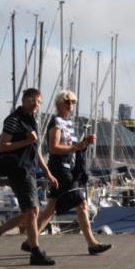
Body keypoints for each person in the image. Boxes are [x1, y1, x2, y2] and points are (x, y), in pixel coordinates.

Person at [0, 88, 59, 265]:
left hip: (29, 170)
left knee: (30, 211)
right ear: (24, 100)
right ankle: (35, 251)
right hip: (18, 171)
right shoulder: (13, 120)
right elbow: (2, 146)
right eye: (34, 100)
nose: (37, 105)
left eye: (39, 102)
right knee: (32, 211)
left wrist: (47, 173)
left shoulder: (31, 121)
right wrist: (26, 140)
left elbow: (35, 150)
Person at [32, 90, 112, 255]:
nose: (70, 105)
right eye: (67, 101)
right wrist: (77, 146)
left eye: (73, 102)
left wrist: (83, 144)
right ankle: (92, 243)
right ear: (59, 103)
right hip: (61, 169)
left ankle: (30, 240)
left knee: (51, 208)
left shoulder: (66, 123)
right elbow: (54, 148)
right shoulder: (56, 122)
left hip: (66, 167)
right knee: (81, 204)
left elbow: (70, 148)